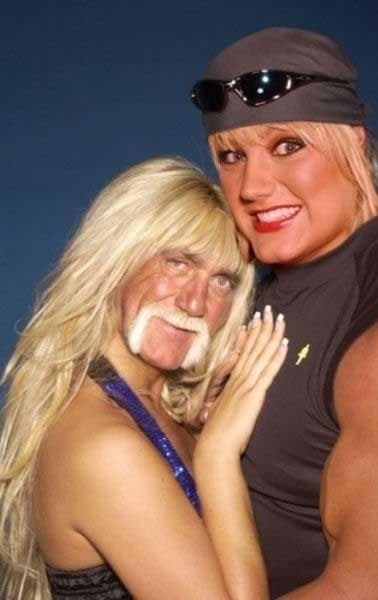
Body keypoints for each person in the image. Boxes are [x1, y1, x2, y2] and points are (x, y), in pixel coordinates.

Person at [191, 27, 378, 599]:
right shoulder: (262, 279)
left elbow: (375, 590)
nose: (253, 186)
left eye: (288, 146)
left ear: (353, 142)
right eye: (232, 157)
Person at [0, 156, 289, 599]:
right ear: (117, 258)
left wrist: (199, 427)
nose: (195, 303)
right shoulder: (104, 446)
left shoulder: (152, 405)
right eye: (177, 263)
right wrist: (217, 455)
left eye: (222, 282)